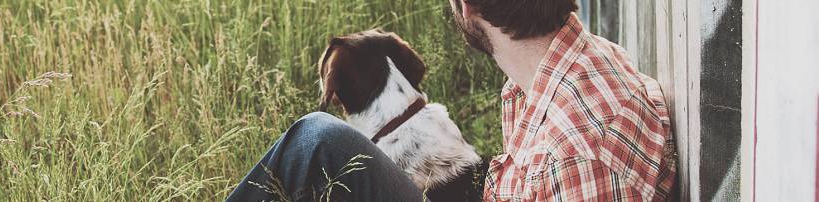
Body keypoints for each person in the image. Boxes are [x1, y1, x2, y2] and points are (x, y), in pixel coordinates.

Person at [226, 0, 676, 201]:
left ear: (467, 6)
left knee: (317, 139)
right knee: (320, 140)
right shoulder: (574, 63)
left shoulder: (576, 156)